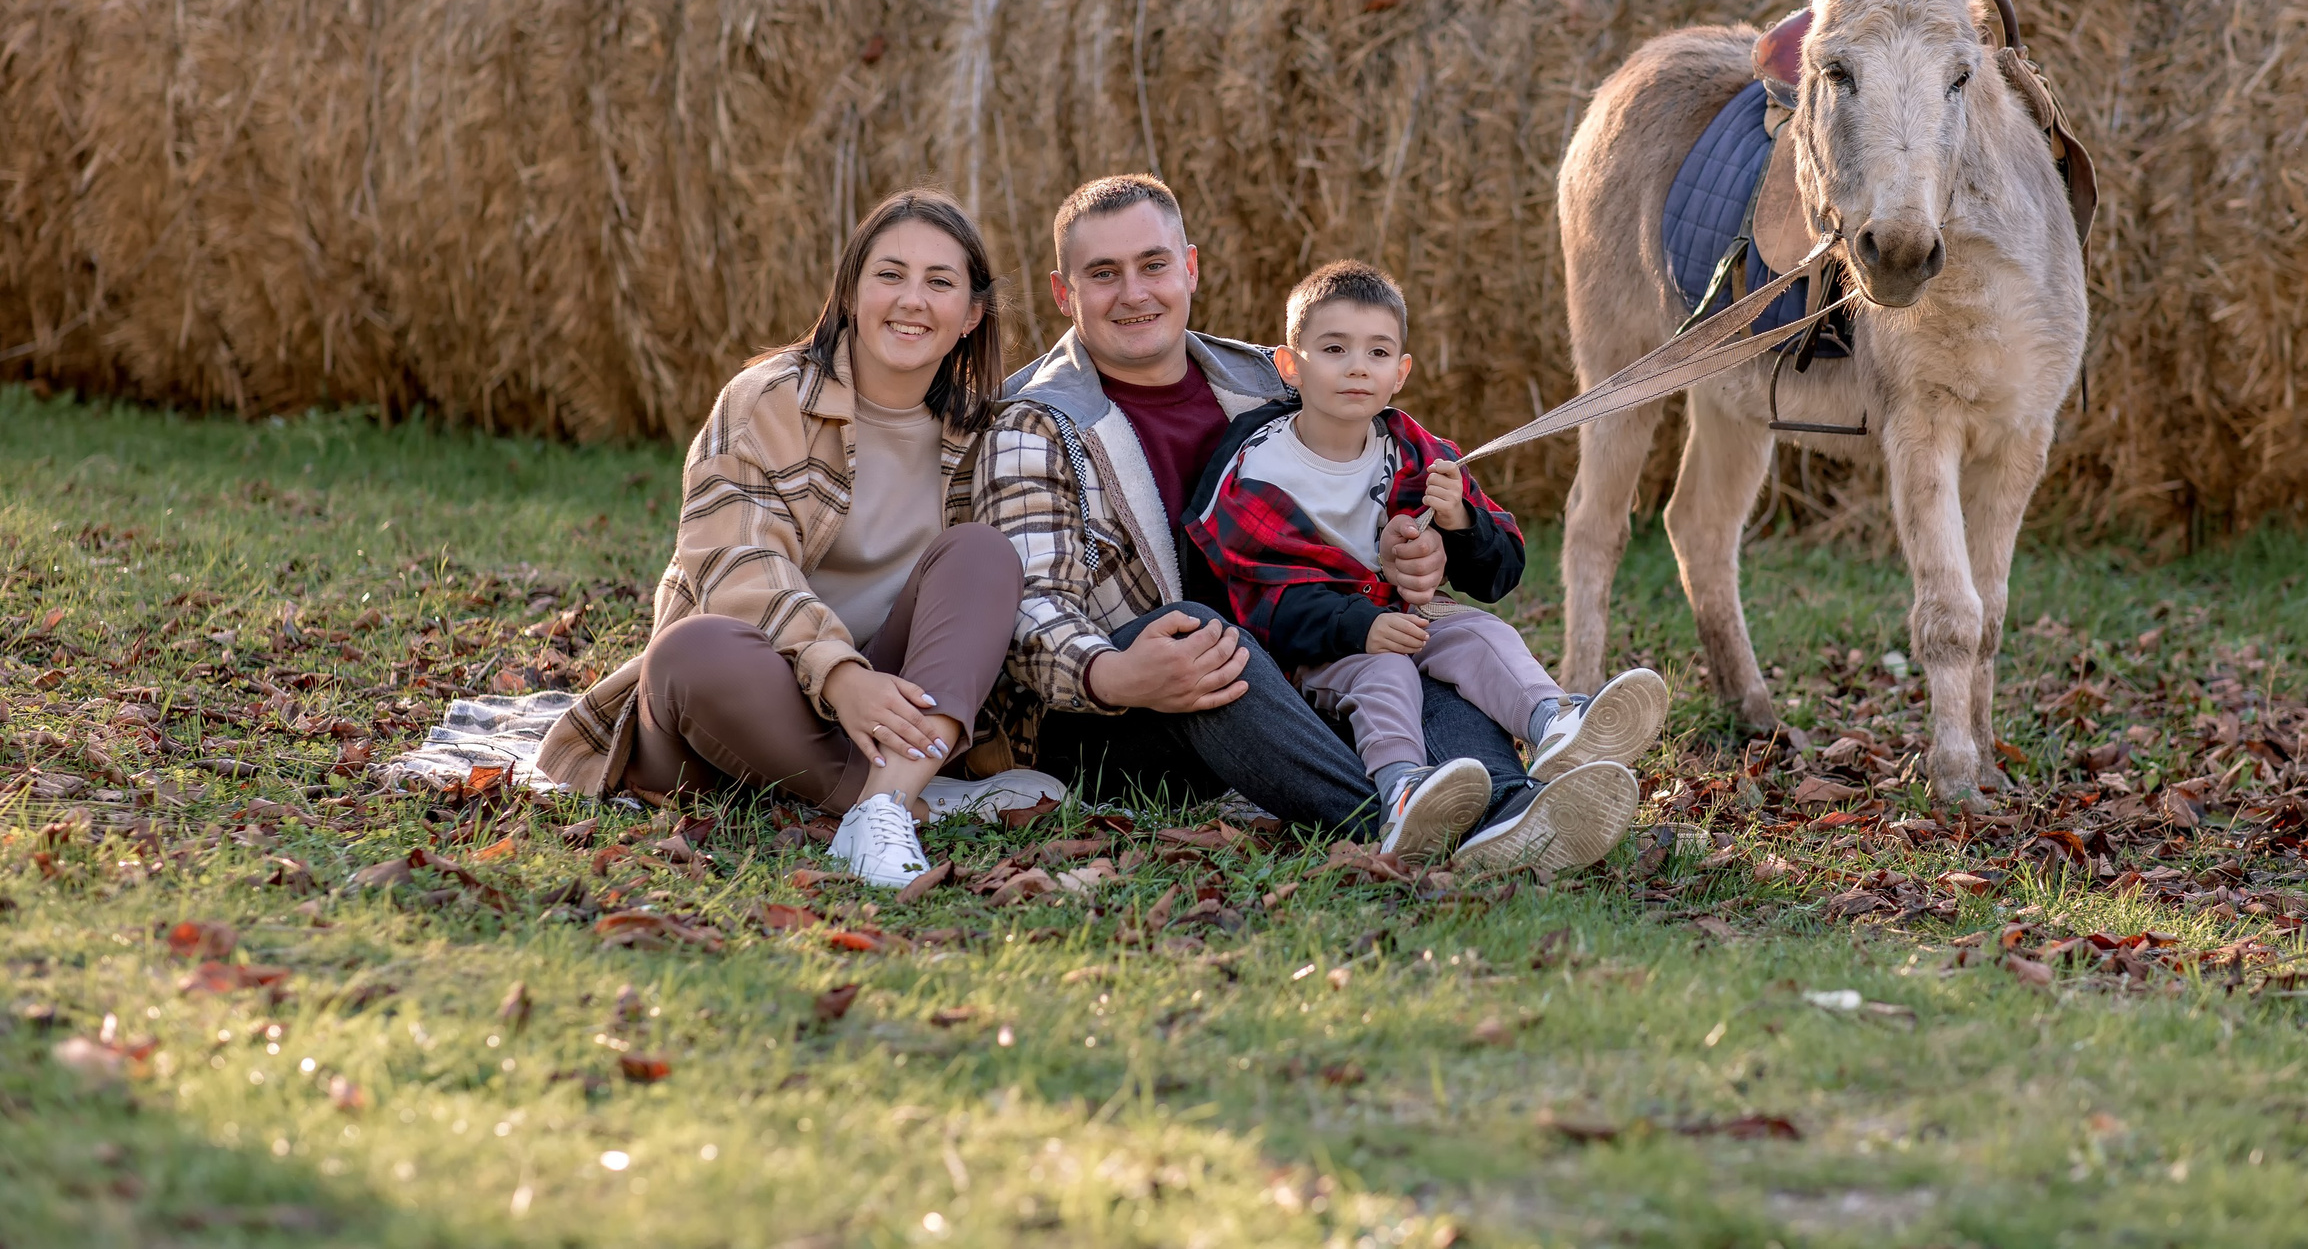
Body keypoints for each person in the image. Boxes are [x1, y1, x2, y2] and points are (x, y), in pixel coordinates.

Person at [972, 173, 1640, 868]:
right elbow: (1029, 611)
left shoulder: (1271, 378)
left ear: (1190, 268)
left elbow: (1370, 503)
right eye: (1103, 274)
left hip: (1301, 661)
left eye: (1154, 264)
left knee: (1414, 634)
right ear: (1063, 292)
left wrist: (1418, 552)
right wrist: (1112, 673)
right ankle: (1405, 818)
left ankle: (1509, 809)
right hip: (1130, 713)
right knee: (1203, 634)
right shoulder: (1035, 423)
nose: (1135, 293)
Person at [535, 189, 1029, 888]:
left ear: (972, 314)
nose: (911, 299)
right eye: (889, 274)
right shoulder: (767, 399)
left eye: (939, 281)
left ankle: (882, 804)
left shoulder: (990, 435)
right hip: (746, 702)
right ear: (852, 293)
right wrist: (839, 674)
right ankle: (902, 800)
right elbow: (737, 564)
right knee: (688, 649)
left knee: (984, 555)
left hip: (884, 715)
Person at [1185, 260, 1668, 863]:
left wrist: (1463, 523)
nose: (1358, 366)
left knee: (1479, 632)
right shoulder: (1256, 468)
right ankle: (1404, 792)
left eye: (1378, 352)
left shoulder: (1410, 448)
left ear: (1400, 372)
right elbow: (1257, 601)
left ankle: (1554, 722)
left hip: (1404, 618)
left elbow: (1500, 572)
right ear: (1290, 365)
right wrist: (1360, 627)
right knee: (1385, 672)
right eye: (1333, 348)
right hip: (1313, 654)